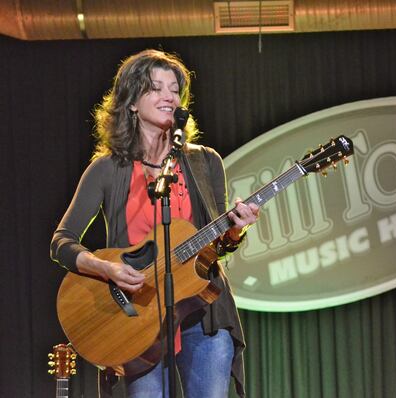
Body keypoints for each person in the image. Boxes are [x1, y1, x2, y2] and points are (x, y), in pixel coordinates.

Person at [50, 49, 259, 397]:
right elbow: (62, 241)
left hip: (201, 314)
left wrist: (237, 228)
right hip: (136, 320)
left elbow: (215, 247)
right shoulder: (106, 169)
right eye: (155, 88)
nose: (169, 96)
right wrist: (107, 269)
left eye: (174, 89)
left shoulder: (206, 162)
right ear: (132, 102)